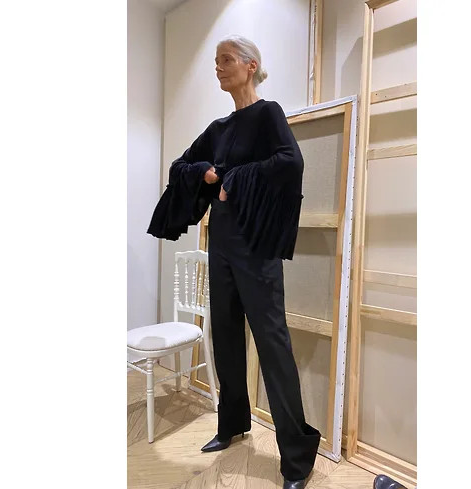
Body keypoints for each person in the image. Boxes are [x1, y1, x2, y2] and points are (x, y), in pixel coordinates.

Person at [147, 35, 320, 489]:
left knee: (273, 345)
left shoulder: (269, 114)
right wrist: (206, 173)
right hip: (221, 243)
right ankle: (232, 425)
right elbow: (180, 166)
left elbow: (291, 162)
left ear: (250, 65)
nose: (218, 67)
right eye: (216, 61)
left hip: (256, 248)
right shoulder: (218, 128)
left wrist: (234, 179)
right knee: (224, 335)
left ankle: (297, 459)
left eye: (226, 60)